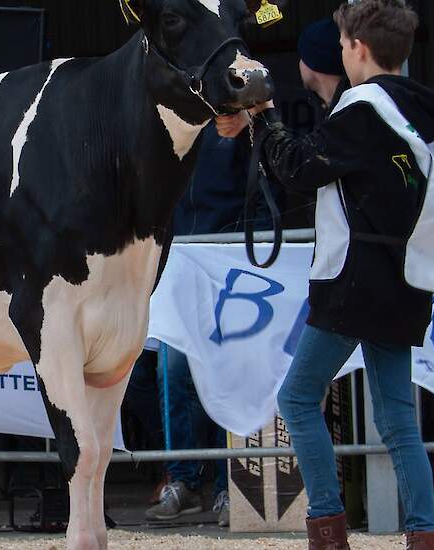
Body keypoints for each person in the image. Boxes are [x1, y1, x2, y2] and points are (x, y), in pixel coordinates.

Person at [217, 1, 434, 548]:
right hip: (405, 276)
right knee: (399, 421)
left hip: (355, 279)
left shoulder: (362, 108)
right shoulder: (418, 113)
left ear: (359, 49)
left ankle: (327, 527)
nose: (340, 52)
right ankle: (423, 535)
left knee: (297, 397)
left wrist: (263, 115)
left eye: (343, 44)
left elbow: (299, 168)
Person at [141, 120, 281, 527]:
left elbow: (264, 198)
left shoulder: (244, 124)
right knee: (171, 373)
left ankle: (226, 486)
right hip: (180, 268)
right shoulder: (171, 125)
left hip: (230, 272)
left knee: (223, 375)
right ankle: (183, 480)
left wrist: (250, 260)